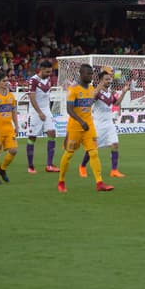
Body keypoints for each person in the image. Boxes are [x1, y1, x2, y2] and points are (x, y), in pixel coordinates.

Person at [59, 65, 113, 193]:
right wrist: (81, 121)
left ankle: (99, 182)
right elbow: (69, 110)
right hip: (75, 127)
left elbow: (89, 105)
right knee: (69, 154)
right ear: (81, 74)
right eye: (88, 74)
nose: (90, 76)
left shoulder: (90, 89)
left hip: (89, 126)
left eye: (91, 74)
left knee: (94, 153)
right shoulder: (73, 90)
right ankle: (61, 181)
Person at [93, 67, 129, 179]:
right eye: (106, 79)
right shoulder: (96, 92)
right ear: (100, 81)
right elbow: (91, 98)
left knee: (115, 144)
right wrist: (98, 87)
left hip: (109, 124)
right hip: (98, 124)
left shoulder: (109, 92)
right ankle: (83, 166)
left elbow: (116, 104)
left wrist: (123, 92)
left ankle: (114, 170)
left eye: (110, 79)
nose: (109, 81)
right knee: (93, 149)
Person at [24, 59, 59, 174]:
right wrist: (39, 112)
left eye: (51, 72)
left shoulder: (48, 79)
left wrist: (47, 111)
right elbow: (32, 98)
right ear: (41, 69)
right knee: (32, 137)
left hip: (46, 111)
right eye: (47, 72)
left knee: (52, 133)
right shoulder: (33, 80)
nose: (50, 74)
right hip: (35, 112)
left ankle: (49, 165)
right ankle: (30, 166)